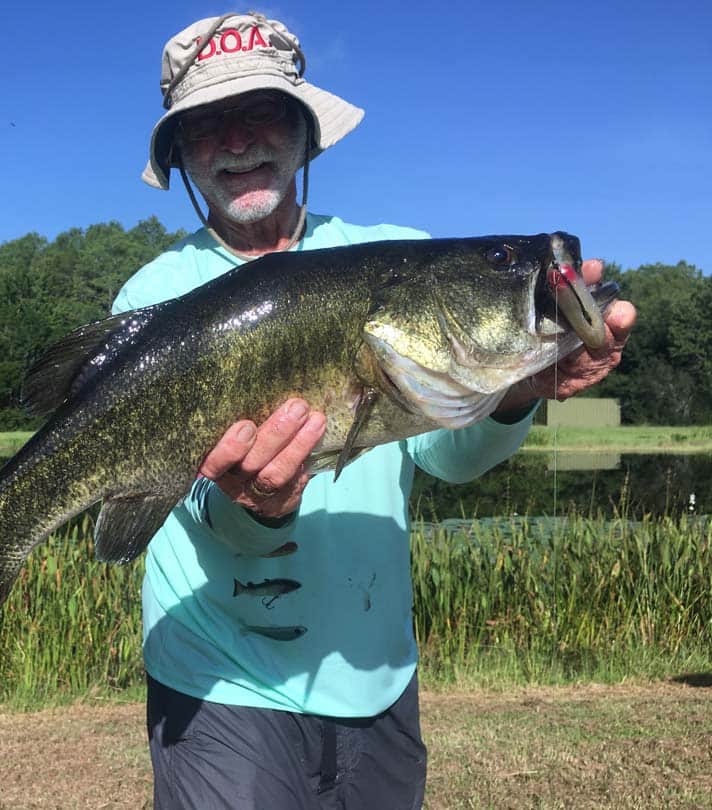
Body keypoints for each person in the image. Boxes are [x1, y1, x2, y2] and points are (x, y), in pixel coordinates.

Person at [111, 12, 637, 809]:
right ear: (180, 152)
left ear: (304, 133)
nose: (238, 140)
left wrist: (514, 394)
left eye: (262, 113)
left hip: (375, 675)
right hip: (219, 681)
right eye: (207, 125)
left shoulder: (395, 251)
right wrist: (254, 510)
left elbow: (444, 456)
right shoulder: (155, 298)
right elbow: (184, 504)